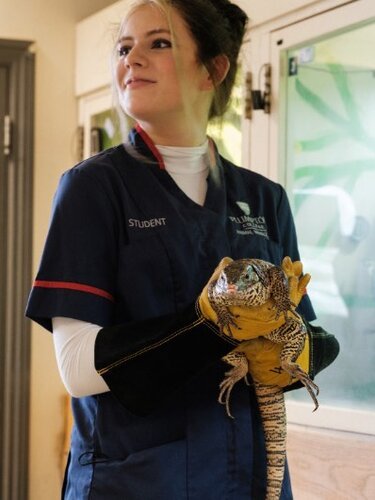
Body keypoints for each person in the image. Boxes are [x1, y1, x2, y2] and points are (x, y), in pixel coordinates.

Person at [26, 1, 339, 498]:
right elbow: (78, 368)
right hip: (135, 480)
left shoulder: (263, 197)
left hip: (247, 479)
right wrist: (211, 325)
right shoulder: (93, 189)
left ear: (213, 70)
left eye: (159, 43)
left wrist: (297, 351)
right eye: (124, 47)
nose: (132, 59)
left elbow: (299, 331)